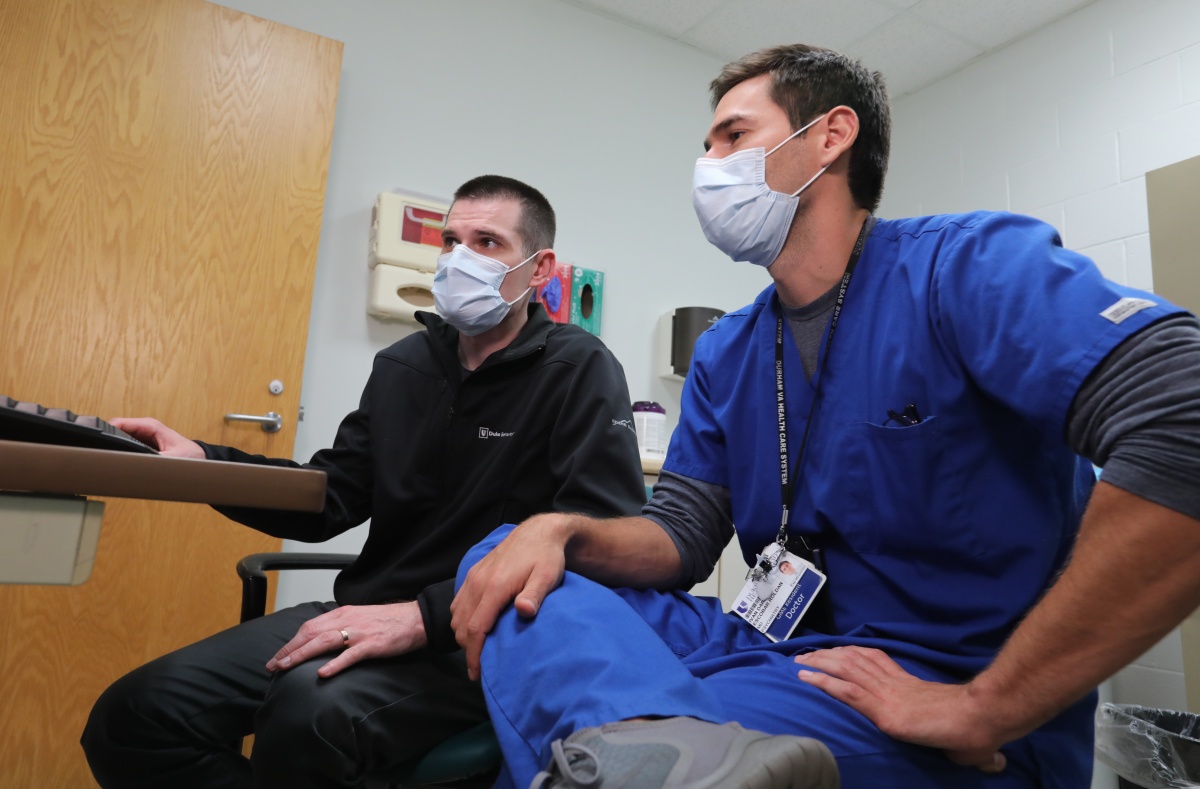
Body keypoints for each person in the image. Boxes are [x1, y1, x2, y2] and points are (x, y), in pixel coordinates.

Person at [449, 45, 1200, 789]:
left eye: (733, 137)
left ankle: (647, 740)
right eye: (705, 145)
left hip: (933, 682)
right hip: (769, 645)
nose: (709, 165)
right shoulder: (729, 349)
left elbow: (1183, 412)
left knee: (596, 729)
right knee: (510, 553)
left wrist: (984, 706)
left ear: (831, 136)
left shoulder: (964, 270)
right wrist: (564, 529)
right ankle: (649, 743)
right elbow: (679, 536)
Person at [80, 175, 646, 788]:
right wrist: (206, 464)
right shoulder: (404, 365)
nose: (461, 259)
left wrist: (425, 616)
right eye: (450, 241)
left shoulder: (579, 368)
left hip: (479, 637)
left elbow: (596, 541)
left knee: (308, 713)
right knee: (135, 715)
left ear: (540, 270)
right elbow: (332, 494)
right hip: (364, 610)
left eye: (487, 242)